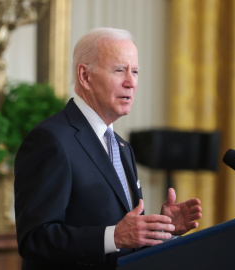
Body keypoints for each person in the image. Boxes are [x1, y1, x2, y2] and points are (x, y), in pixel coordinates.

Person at [14, 27, 202, 270]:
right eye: (119, 70)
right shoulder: (50, 140)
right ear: (85, 76)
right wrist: (113, 237)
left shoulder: (122, 148)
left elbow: (126, 242)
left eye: (135, 71)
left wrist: (162, 229)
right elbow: (34, 239)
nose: (131, 82)